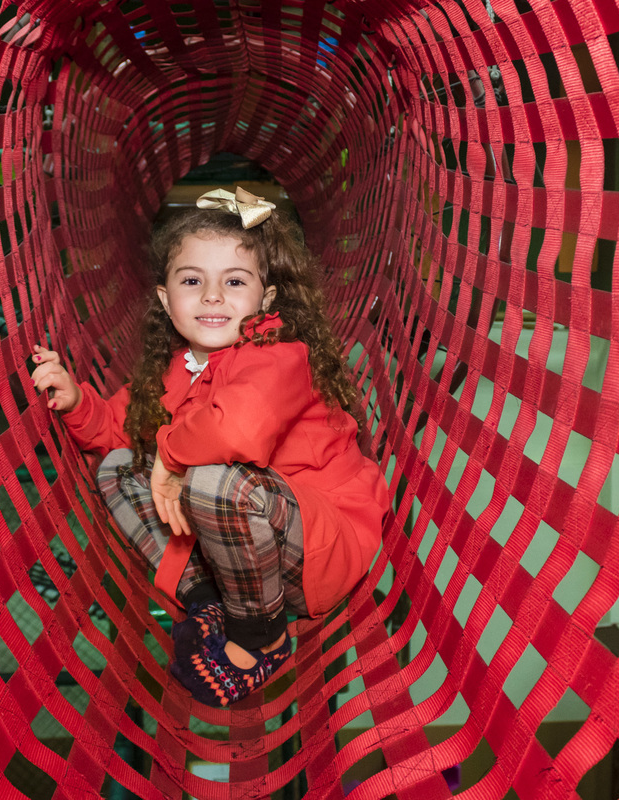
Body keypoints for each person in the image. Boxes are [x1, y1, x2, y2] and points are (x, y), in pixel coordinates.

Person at [30, 186, 388, 707]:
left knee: (211, 476)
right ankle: (206, 600)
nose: (213, 296)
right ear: (164, 298)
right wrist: (75, 402)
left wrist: (173, 456)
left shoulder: (280, 353)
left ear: (265, 299)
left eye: (235, 281)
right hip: (242, 562)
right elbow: (117, 427)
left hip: (318, 542)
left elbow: (238, 430)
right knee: (117, 466)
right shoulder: (179, 368)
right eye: (193, 281)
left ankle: (262, 635)